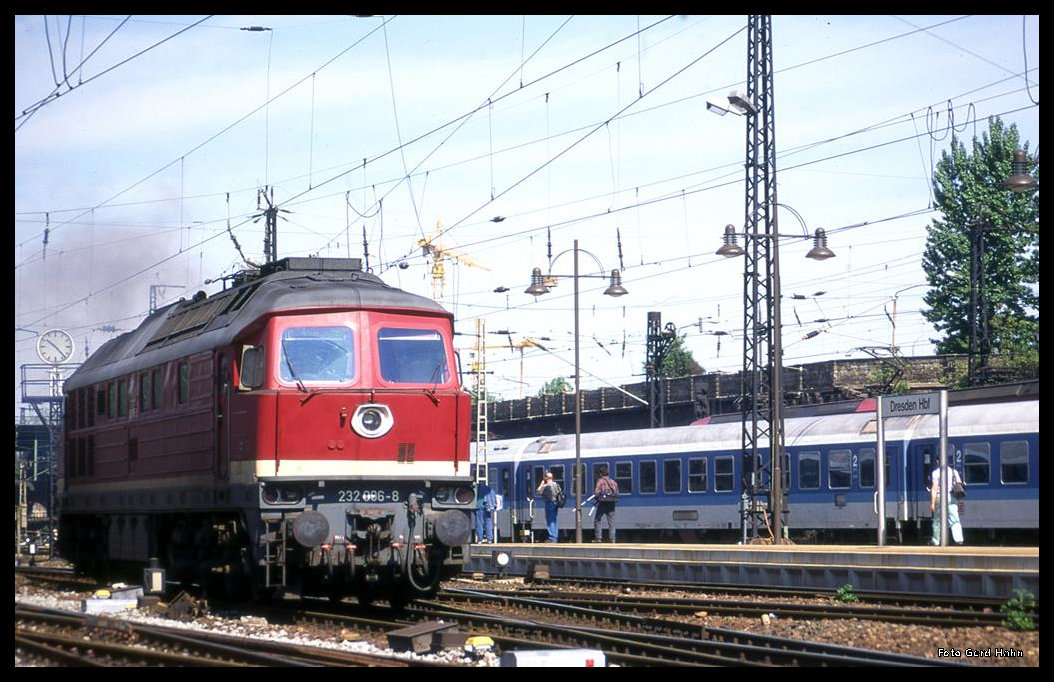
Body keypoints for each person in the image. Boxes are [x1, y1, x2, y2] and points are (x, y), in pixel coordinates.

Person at [930, 460, 965, 546]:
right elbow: (959, 484)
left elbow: (934, 488)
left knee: (937, 520)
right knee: (955, 519)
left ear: (938, 461)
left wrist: (932, 503)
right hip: (951, 497)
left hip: (940, 496)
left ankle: (935, 541)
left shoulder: (936, 473)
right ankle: (959, 540)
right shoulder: (954, 471)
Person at [593, 465, 619, 543]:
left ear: (601, 474)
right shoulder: (613, 482)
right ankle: (612, 539)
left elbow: (596, 492)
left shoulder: (600, 481)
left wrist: (597, 498)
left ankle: (598, 538)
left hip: (603, 503)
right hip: (612, 504)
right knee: (611, 522)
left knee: (597, 520)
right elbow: (617, 493)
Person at [535, 471, 561, 543]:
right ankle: (555, 536)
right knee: (554, 520)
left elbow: (538, 491)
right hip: (555, 504)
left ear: (546, 478)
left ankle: (552, 537)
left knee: (550, 521)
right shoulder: (556, 485)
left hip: (549, 504)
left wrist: (541, 484)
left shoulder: (546, 486)